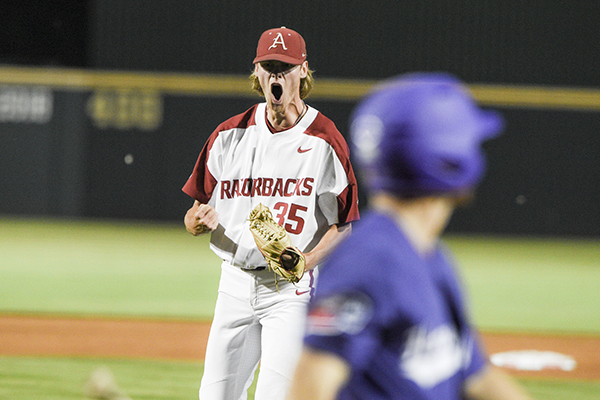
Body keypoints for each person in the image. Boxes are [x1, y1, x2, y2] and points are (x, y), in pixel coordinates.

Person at [287, 73, 536, 400]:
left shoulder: (430, 257)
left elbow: (476, 377)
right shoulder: (368, 262)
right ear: (452, 160)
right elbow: (308, 390)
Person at [182, 27, 360, 400]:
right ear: (257, 73)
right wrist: (196, 221)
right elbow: (193, 211)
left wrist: (306, 261)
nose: (276, 76)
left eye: (286, 67)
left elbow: (345, 223)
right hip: (233, 283)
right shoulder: (229, 135)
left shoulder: (324, 141)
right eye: (269, 66)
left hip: (290, 291)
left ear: (303, 71)